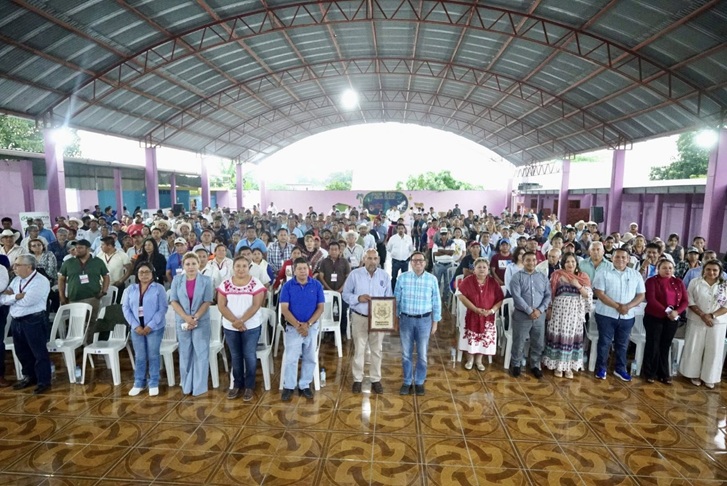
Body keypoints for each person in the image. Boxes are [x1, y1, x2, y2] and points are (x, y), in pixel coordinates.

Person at [342, 249, 392, 394]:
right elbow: (345, 294)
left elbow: (389, 297)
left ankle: (375, 379)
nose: (372, 261)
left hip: (378, 319)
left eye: (375, 258)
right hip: (360, 317)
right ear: (364, 259)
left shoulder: (384, 276)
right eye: (369, 258)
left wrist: (387, 319)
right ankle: (358, 379)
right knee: (359, 350)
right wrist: (358, 298)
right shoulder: (354, 275)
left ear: (379, 260)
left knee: (377, 350)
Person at [217, 255, 267, 401]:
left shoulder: (255, 283)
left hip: (251, 326)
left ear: (248, 267)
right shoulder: (225, 284)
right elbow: (221, 305)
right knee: (236, 356)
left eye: (244, 266)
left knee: (249, 355)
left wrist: (242, 320)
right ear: (233, 268)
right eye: (238, 266)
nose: (241, 269)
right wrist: (235, 321)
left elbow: (256, 305)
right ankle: (237, 384)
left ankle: (249, 386)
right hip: (230, 326)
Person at [592, 248, 646, 381]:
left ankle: (620, 369)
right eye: (617, 257)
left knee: (622, 344)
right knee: (604, 343)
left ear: (628, 259)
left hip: (627, 316)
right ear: (612, 258)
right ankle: (601, 368)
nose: (620, 259)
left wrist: (628, 307)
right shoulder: (603, 272)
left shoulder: (635, 274)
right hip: (606, 315)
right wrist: (618, 306)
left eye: (623, 257)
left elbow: (641, 295)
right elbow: (599, 293)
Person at [1, 254, 51, 393]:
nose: (14, 268)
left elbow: (28, 301)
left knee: (38, 352)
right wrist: (16, 296)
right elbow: (2, 299)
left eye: (18, 265)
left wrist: (12, 298)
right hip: (17, 320)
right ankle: (29, 377)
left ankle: (43, 381)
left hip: (33, 320)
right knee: (22, 352)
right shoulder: (16, 280)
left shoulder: (40, 281)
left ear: (29, 267)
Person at [394, 251, 441, 396]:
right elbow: (396, 300)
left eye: (421, 260)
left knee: (422, 354)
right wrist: (395, 319)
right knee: (406, 354)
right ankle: (407, 381)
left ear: (425, 263)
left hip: (424, 321)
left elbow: (436, 302)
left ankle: (419, 381)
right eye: (415, 260)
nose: (418, 263)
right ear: (411, 263)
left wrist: (435, 322)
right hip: (406, 320)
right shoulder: (402, 278)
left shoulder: (432, 279)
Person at [279, 258, 325, 401]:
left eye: (305, 268)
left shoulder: (316, 285)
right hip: (293, 328)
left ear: (308, 269)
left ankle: (305, 384)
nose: (303, 271)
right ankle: (289, 386)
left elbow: (320, 308)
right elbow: (284, 309)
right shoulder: (287, 286)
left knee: (310, 357)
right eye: (299, 269)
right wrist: (298, 326)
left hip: (311, 327)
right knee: (291, 358)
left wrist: (308, 324)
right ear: (294, 270)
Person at [169, 252, 214, 396]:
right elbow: (173, 301)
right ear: (183, 265)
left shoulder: (206, 280)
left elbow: (207, 301)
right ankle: (187, 385)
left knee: (201, 353)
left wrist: (195, 318)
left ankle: (199, 387)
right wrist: (186, 318)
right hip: (183, 321)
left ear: (199, 264)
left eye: (194, 263)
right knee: (185, 353)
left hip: (201, 321)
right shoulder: (177, 280)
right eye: (187, 264)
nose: (191, 267)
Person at [122, 262, 168, 397]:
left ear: (152, 274)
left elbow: (162, 309)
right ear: (137, 274)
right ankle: (139, 382)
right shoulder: (130, 289)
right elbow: (125, 308)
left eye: (147, 272)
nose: (144, 275)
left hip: (154, 328)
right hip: (136, 329)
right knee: (140, 356)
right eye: (141, 272)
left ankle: (153, 382)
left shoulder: (159, 288)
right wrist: (135, 325)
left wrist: (150, 326)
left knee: (153, 355)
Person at [543, 253, 593, 378]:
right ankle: (558, 366)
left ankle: (569, 366)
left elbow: (588, 295)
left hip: (575, 314)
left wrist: (577, 285)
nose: (570, 264)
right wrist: (549, 309)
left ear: (576, 263)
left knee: (571, 339)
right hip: (558, 313)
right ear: (563, 263)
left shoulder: (582, 276)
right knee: (559, 338)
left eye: (573, 261)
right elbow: (550, 293)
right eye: (567, 262)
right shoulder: (557, 275)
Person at [680, 260, 727, 388]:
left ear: (719, 272)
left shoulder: (724, 285)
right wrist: (702, 315)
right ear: (703, 270)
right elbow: (689, 300)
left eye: (715, 270)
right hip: (696, 320)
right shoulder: (695, 282)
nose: (711, 272)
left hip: (718, 322)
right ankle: (692, 374)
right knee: (695, 346)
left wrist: (712, 316)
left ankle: (710, 377)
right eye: (708, 269)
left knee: (714, 349)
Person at [643, 259, 688, 385]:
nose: (667, 270)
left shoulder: (678, 282)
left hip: (672, 318)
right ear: (658, 269)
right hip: (654, 317)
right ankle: (650, 372)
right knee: (653, 345)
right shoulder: (651, 281)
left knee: (665, 345)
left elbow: (685, 301)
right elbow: (651, 299)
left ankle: (663, 373)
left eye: (670, 268)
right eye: (664, 268)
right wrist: (668, 312)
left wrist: (677, 312)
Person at [456, 258, 504, 371]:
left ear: (488, 270)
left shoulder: (493, 282)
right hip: (471, 315)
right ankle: (470, 359)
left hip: (488, 316)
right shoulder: (468, 281)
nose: (482, 269)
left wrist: (491, 311)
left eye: (484, 267)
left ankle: (479, 360)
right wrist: (475, 309)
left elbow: (500, 299)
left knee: (483, 338)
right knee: (471, 338)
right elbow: (461, 295)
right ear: (474, 270)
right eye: (479, 267)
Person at [509, 251, 552, 378]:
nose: (531, 262)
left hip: (539, 315)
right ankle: (516, 364)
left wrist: (540, 310)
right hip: (522, 315)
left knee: (538, 342)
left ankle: (535, 365)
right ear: (523, 261)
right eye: (528, 260)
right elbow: (516, 296)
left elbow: (548, 295)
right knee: (519, 341)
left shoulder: (542, 277)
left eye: (533, 260)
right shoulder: (516, 277)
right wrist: (529, 310)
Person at [58, 239, 109, 342]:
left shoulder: (97, 261)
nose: (77, 250)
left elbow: (106, 277)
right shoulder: (69, 262)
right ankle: (77, 345)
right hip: (74, 298)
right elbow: (61, 279)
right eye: (76, 248)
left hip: (92, 297)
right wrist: (62, 296)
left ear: (88, 249)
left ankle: (90, 343)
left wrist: (103, 291)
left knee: (92, 322)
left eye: (80, 248)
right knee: (76, 323)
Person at [387, 223, 414, 292]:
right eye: (399, 229)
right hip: (395, 261)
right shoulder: (393, 238)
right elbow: (388, 248)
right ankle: (393, 291)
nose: (400, 230)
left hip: (405, 261)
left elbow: (411, 249)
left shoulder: (408, 238)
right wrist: (395, 253)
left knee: (405, 277)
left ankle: (404, 291)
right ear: (397, 230)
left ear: (404, 229)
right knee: (394, 277)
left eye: (402, 228)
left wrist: (408, 257)